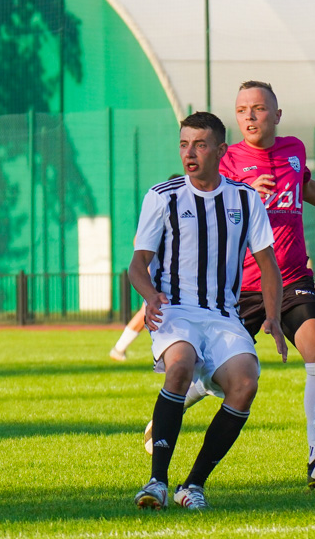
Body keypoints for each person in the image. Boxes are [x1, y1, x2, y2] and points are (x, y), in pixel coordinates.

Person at [144, 81, 315, 489]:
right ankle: (175, 403)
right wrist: (243, 196)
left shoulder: (294, 150)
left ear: (277, 115)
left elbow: (307, 188)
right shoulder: (223, 159)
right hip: (233, 288)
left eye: (259, 109)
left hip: (290, 278)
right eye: (242, 110)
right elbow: (203, 201)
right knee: (221, 372)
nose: (250, 117)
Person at [131, 112, 287, 511]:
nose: (190, 153)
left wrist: (274, 317)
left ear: (220, 150)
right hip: (176, 310)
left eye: (200, 145)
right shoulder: (162, 196)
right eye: (184, 144)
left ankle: (193, 485)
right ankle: (157, 483)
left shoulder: (245, 199)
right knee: (180, 365)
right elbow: (137, 264)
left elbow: (268, 263)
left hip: (222, 315)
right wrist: (150, 297)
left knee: (246, 382)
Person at [109, 174, 184, 363]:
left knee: (150, 311)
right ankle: (120, 348)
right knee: (149, 311)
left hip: (171, 275)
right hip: (159, 275)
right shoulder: (162, 207)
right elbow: (139, 241)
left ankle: (120, 348)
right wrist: (150, 264)